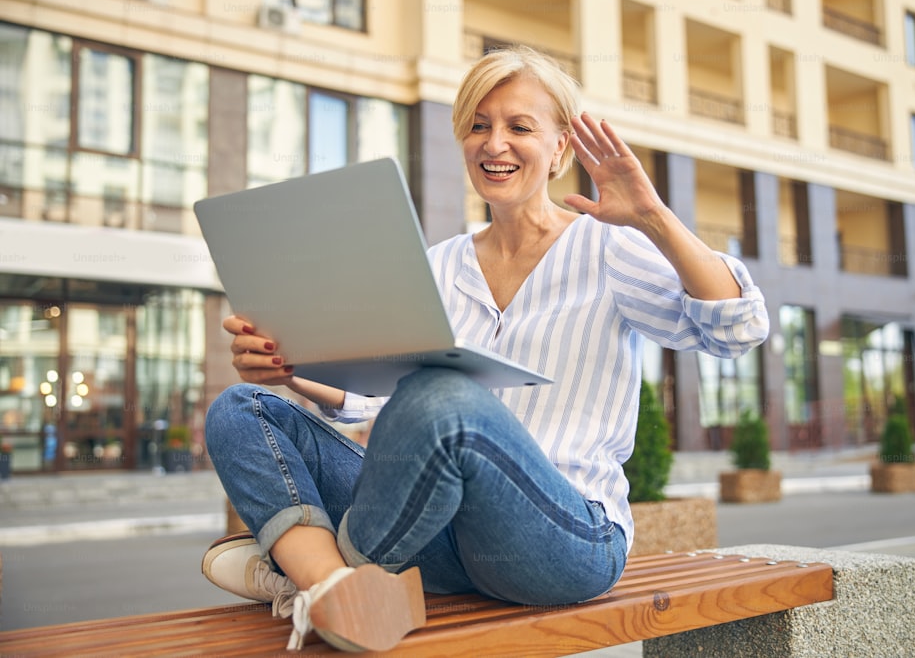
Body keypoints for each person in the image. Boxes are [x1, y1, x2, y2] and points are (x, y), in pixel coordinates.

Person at [200, 45, 769, 653]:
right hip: (441, 541)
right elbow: (388, 412)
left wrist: (653, 217)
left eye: (519, 127)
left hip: (564, 540)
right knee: (242, 407)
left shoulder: (609, 247)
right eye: (479, 125)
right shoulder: (440, 266)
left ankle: (303, 564)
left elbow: (738, 329)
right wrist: (292, 373)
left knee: (445, 394)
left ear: (560, 151)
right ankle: (333, 589)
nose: (494, 143)